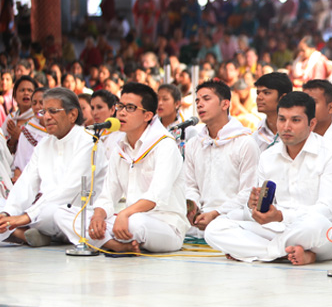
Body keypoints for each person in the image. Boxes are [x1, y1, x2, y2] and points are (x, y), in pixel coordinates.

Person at [204, 92, 332, 264]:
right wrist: (254, 208)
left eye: (295, 120)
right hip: (276, 229)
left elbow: (327, 210)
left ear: (312, 123)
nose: (286, 127)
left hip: (318, 233)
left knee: (315, 224)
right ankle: (287, 253)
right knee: (215, 228)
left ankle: (262, 251)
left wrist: (280, 216)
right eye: (282, 119)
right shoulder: (268, 156)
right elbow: (263, 211)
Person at [57, 83, 189, 253]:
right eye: (120, 106)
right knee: (63, 214)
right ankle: (117, 245)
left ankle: (107, 240)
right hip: (127, 220)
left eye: (130, 108)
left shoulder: (165, 145)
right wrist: (98, 216)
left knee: (135, 223)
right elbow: (108, 194)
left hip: (164, 226)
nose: (122, 112)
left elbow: (157, 195)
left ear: (147, 115)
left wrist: (125, 214)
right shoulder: (120, 147)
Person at [0, 88, 107, 247]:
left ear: (72, 115)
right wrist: (7, 213)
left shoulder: (87, 142)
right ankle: (26, 233)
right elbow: (26, 183)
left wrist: (26, 217)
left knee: (54, 212)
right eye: (44, 112)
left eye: (53, 111)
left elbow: (69, 191)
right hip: (40, 212)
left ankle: (24, 232)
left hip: (73, 212)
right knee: (5, 205)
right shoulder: (45, 143)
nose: (47, 117)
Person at [184, 81, 259, 237]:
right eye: (197, 101)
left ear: (225, 104)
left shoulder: (245, 143)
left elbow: (248, 192)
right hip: (200, 217)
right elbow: (190, 185)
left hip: (231, 215)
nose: (199, 105)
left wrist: (216, 213)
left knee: (226, 224)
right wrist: (193, 208)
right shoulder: (194, 143)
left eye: (206, 99)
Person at [11, 87, 47, 179]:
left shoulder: (59, 132)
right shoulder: (27, 131)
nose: (37, 107)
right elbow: (19, 164)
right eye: (34, 103)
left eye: (41, 103)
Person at [253, 73, 292, 151]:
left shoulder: (297, 132)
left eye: (266, 93)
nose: (259, 97)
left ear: (283, 97)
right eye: (258, 93)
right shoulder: (255, 136)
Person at [3, 76, 37, 154]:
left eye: (30, 90)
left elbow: (41, 148)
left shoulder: (40, 118)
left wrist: (20, 136)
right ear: (14, 95)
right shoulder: (11, 119)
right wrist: (12, 141)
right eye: (22, 90)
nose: (26, 93)